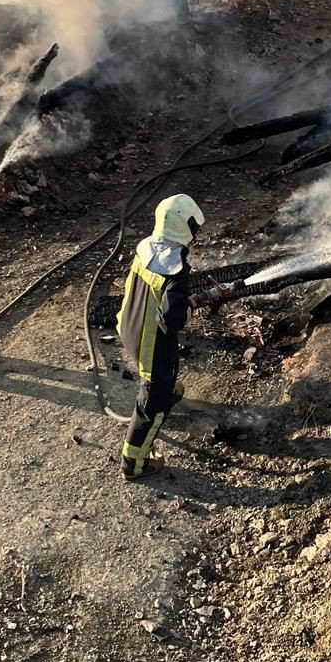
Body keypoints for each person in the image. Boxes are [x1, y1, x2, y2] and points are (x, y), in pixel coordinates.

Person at [117, 193, 204, 480]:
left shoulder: (145, 248)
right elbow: (172, 320)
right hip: (152, 346)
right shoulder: (175, 270)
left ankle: (166, 392)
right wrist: (190, 306)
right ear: (185, 228)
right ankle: (134, 463)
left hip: (130, 328)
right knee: (151, 404)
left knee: (160, 386)